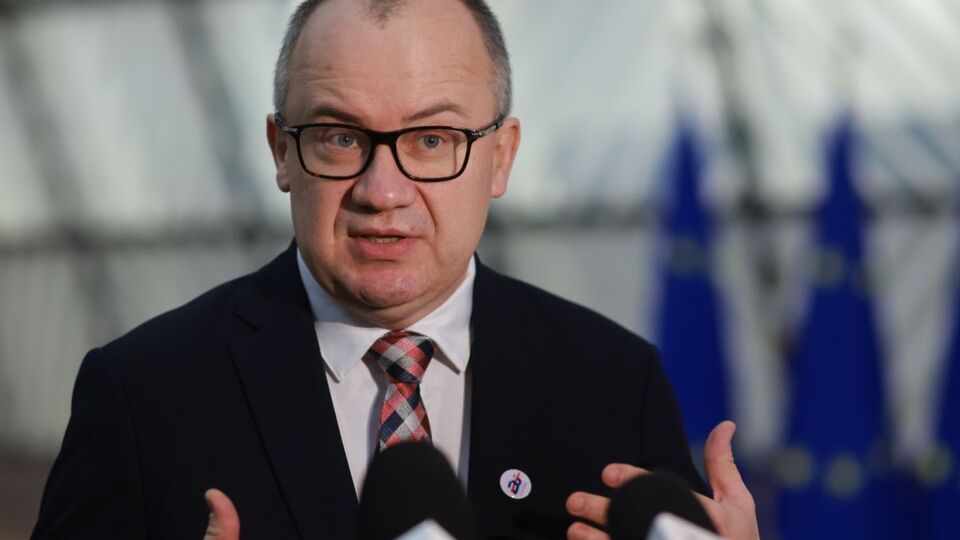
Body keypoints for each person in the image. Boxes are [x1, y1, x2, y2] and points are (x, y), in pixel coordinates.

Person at [32, 1, 759, 539]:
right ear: (282, 153)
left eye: (432, 139)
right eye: (339, 137)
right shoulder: (143, 397)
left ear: (500, 157)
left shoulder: (614, 383)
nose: (383, 191)